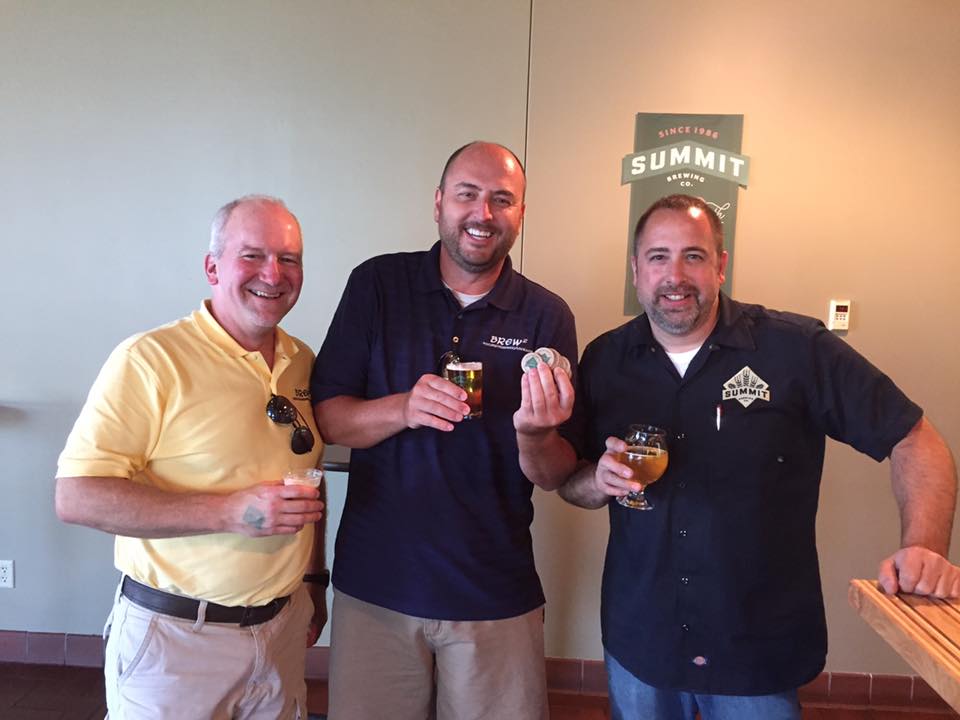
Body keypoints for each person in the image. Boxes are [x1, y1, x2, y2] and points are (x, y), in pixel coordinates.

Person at [524, 194, 960, 720]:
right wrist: (598, 479)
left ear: (721, 265)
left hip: (756, 647)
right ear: (636, 270)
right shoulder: (605, 359)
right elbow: (569, 481)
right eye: (659, 257)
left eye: (694, 256)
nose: (675, 275)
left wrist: (924, 547)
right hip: (642, 641)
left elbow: (915, 440)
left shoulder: (797, 349)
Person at [311, 141, 577, 720]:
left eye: (502, 199)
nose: (483, 213)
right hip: (377, 585)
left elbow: (556, 474)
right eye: (467, 194)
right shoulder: (377, 284)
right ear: (438, 203)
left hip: (495, 589)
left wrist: (535, 435)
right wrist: (404, 407)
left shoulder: (547, 315)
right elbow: (329, 419)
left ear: (520, 214)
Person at [55, 195, 328, 720]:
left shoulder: (303, 361)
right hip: (178, 641)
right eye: (252, 255)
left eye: (288, 258)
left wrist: (315, 583)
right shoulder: (149, 360)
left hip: (282, 633)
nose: (273, 273)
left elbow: (312, 479)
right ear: (212, 267)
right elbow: (76, 496)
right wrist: (227, 512)